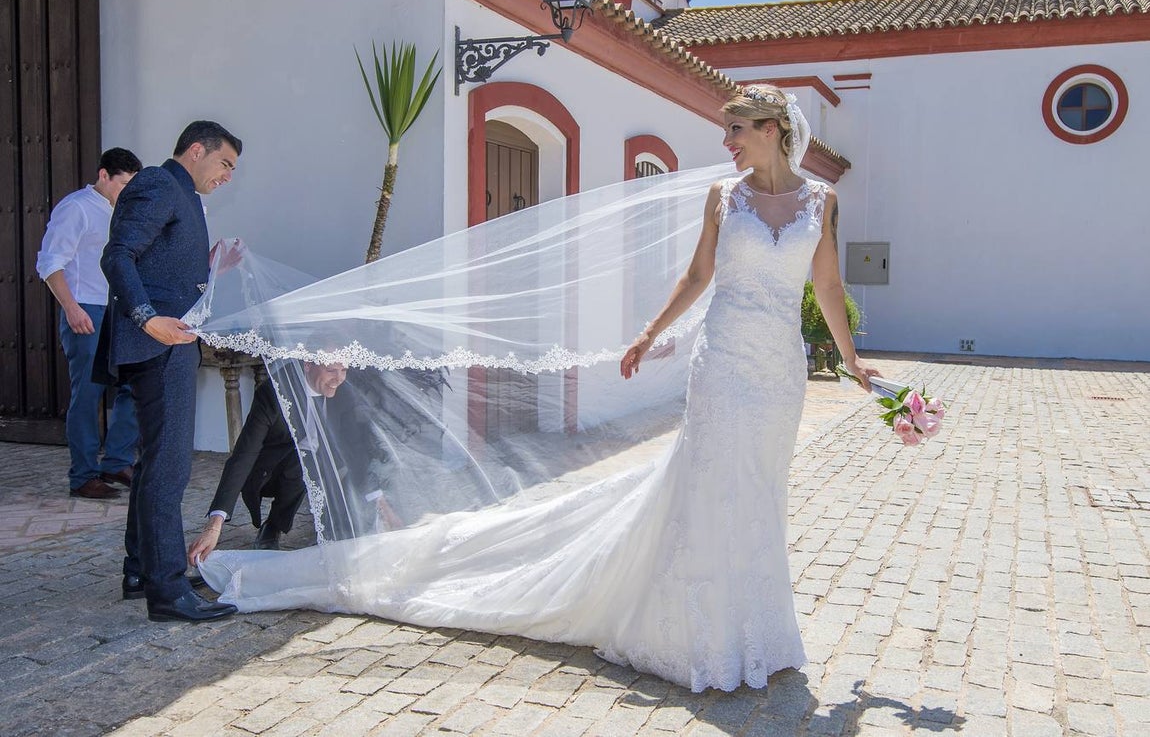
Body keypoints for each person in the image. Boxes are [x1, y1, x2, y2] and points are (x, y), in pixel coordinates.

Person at [200, 85, 882, 692]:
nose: (725, 143)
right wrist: (648, 333)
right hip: (725, 361)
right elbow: (699, 276)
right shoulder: (720, 199)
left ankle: (759, 627)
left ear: (769, 128)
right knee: (713, 485)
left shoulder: (820, 203)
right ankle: (699, 628)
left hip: (778, 374)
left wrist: (851, 360)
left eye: (735, 130)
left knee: (760, 492)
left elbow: (825, 284)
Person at [98, 120, 242, 622]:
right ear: (197, 149)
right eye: (225, 163)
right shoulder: (160, 183)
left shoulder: (182, 194)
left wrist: (211, 267)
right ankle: (168, 591)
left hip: (168, 343)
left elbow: (162, 267)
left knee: (155, 462)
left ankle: (141, 570)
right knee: (170, 465)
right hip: (156, 344)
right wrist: (146, 318)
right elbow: (117, 255)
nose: (227, 176)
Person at [36, 148, 142, 499]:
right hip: (85, 308)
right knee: (89, 392)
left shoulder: (123, 211)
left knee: (131, 384)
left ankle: (116, 461)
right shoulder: (75, 208)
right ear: (103, 175)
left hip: (118, 309)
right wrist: (71, 308)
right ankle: (82, 475)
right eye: (122, 184)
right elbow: (50, 263)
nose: (126, 191)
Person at [186, 360, 349, 563]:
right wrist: (214, 525)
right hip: (270, 470)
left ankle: (333, 524)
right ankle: (273, 526)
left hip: (323, 464)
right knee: (302, 462)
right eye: (331, 370)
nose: (339, 378)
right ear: (308, 364)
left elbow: (360, 445)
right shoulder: (274, 393)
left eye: (344, 370)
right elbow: (244, 454)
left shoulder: (345, 389)